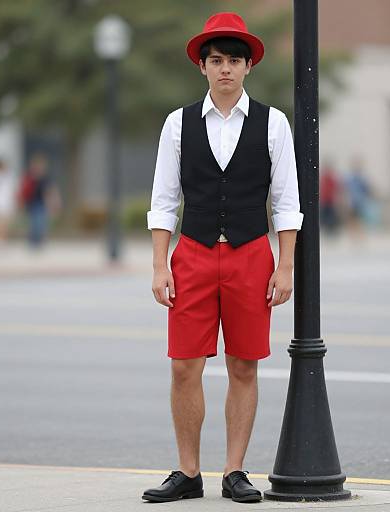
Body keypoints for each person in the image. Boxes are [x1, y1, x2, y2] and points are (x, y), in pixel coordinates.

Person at [144, 12, 303, 503]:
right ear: (203, 66)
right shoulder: (178, 123)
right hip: (191, 254)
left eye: (235, 60)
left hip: (251, 253)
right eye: (217, 60)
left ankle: (234, 471)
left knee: (244, 364)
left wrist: (285, 264)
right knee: (183, 366)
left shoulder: (273, 123)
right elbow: (164, 199)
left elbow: (287, 201)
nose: (226, 69)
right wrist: (159, 264)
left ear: (249, 65)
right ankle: (188, 472)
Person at [18, 153, 61, 248]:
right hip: (31, 203)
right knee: (34, 223)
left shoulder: (45, 178)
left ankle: (38, 241)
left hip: (41, 203)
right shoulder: (30, 177)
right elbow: (23, 190)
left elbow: (51, 190)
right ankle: (34, 242)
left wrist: (54, 203)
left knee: (41, 222)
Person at [320, 160, 341, 235]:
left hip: (330, 201)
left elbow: (335, 189)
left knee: (330, 216)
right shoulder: (324, 178)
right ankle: (327, 230)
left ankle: (331, 230)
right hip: (325, 200)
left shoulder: (331, 179)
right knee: (325, 216)